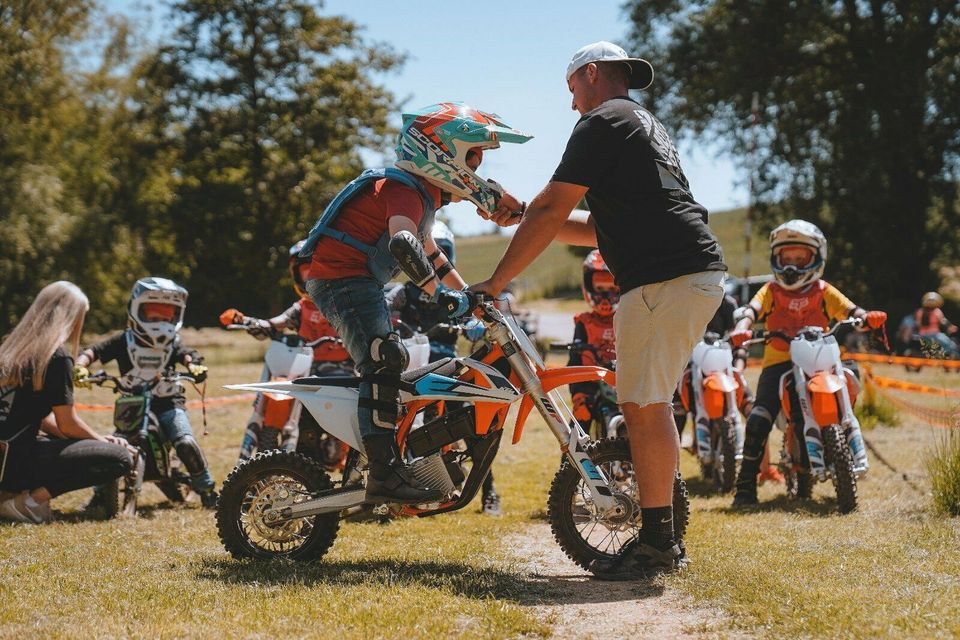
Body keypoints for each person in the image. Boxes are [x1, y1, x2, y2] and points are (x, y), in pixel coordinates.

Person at [472, 41, 727, 580]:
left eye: (571, 90)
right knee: (645, 402)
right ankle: (661, 538)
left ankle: (659, 544)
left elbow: (553, 206)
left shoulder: (602, 120)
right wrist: (522, 215)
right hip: (689, 273)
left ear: (590, 74)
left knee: (643, 404)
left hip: (666, 277)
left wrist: (495, 282)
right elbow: (590, 227)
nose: (571, 105)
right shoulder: (642, 122)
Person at [299, 102, 529, 505]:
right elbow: (404, 244)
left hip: (357, 278)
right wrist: (440, 299)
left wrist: (475, 304)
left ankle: (391, 452)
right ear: (443, 153)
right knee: (383, 357)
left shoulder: (421, 198)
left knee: (399, 361)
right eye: (472, 158)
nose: (476, 170)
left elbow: (434, 257)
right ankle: (384, 473)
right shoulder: (403, 188)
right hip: (342, 276)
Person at [728, 220, 887, 507]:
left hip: (819, 360)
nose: (791, 266)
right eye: (786, 258)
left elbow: (851, 311)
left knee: (849, 380)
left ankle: (841, 440)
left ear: (816, 258)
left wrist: (868, 317)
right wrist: (743, 324)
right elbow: (751, 310)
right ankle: (745, 486)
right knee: (759, 417)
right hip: (779, 361)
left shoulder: (824, 290)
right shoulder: (770, 290)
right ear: (775, 259)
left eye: (799, 259)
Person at [384, 221, 500, 515]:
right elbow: (386, 310)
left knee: (473, 428)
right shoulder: (402, 292)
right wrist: (392, 322)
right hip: (411, 368)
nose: (427, 267)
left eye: (436, 257)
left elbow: (473, 320)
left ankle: (489, 492)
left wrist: (473, 326)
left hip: (448, 370)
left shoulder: (454, 295)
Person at [74, 277, 219, 508]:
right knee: (113, 447)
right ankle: (99, 495)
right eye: (154, 312)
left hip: (170, 404)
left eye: (167, 314)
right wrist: (80, 366)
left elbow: (187, 354)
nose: (161, 320)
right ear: (136, 309)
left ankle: (208, 489)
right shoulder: (124, 340)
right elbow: (93, 351)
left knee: (186, 443)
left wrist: (194, 365)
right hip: (132, 404)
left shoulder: (173, 343)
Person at [0, 281, 134, 523]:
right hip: (15, 464)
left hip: (6, 459)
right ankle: (28, 502)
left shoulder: (10, 351)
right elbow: (67, 425)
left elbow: (36, 418)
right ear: (71, 318)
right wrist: (104, 443)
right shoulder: (57, 357)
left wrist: (93, 441)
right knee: (120, 458)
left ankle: (11, 496)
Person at [232, 241, 355, 463]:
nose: (312, 277)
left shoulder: (344, 304)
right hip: (302, 373)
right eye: (307, 271)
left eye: (317, 270)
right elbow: (275, 323)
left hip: (341, 376)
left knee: (354, 414)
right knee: (280, 392)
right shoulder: (301, 308)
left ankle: (344, 450)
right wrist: (249, 322)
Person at [568, 250, 619, 431]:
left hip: (624, 383)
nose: (605, 297)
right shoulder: (584, 322)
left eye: (612, 289)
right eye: (600, 289)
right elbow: (574, 363)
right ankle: (570, 460)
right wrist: (579, 397)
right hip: (590, 384)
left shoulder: (629, 319)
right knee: (579, 423)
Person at [911, 291, 959, 358]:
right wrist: (950, 327)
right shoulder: (937, 311)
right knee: (950, 345)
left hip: (922, 335)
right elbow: (943, 321)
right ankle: (948, 355)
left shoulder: (920, 311)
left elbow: (917, 324)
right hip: (935, 334)